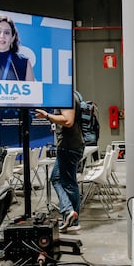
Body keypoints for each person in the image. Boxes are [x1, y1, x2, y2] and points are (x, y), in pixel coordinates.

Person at [35, 93, 85, 233]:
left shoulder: (66, 96)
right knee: (56, 178)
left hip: (69, 146)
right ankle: (69, 214)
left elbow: (68, 121)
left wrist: (47, 116)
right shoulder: (68, 95)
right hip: (69, 146)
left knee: (69, 183)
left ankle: (72, 217)